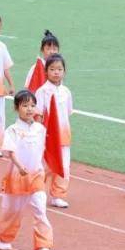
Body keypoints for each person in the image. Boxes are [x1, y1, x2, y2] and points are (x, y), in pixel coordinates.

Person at [0, 90, 55, 250]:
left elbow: (45, 150)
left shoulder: (40, 129)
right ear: (17, 108)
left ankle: (43, 246)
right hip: (17, 176)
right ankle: (5, 238)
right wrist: (20, 166)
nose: (29, 109)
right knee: (13, 211)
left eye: (32, 105)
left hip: (36, 176)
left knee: (40, 210)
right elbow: (11, 152)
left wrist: (49, 168)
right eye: (25, 105)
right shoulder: (12, 130)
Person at [34, 54, 72, 208]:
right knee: (45, 166)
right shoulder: (42, 91)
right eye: (52, 69)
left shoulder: (66, 92)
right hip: (47, 136)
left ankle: (58, 195)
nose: (56, 72)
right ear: (46, 71)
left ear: (64, 71)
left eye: (59, 69)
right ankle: (37, 191)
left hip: (64, 135)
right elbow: (37, 114)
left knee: (64, 166)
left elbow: (68, 112)